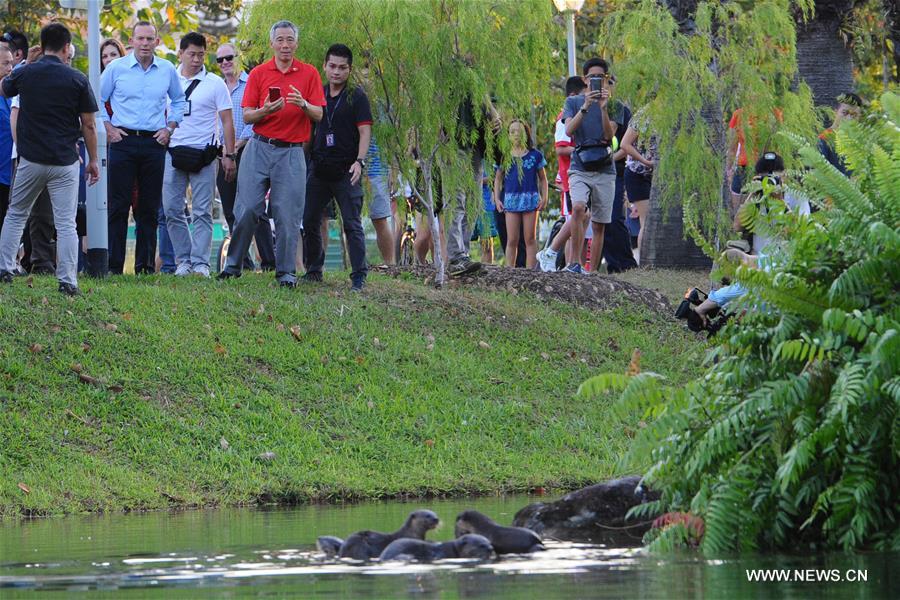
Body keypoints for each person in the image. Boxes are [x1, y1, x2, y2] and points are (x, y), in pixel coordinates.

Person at [218, 20, 324, 287]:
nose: (285, 45)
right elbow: (247, 114)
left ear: (296, 43)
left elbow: (319, 114)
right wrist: (265, 110)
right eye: (280, 40)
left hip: (291, 152)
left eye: (290, 40)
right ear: (272, 43)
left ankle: (285, 272)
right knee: (248, 208)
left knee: (287, 213)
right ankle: (233, 266)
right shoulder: (259, 73)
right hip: (259, 147)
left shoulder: (309, 73)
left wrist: (303, 105)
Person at [0, 23, 99, 295]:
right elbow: (89, 125)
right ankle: (67, 281)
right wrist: (93, 160)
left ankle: (4, 269)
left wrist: (25, 65)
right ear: (67, 47)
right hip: (65, 161)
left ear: (42, 46)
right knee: (66, 223)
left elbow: (3, 89)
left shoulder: (26, 74)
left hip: (30, 160)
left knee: (17, 213)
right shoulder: (77, 79)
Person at [100, 21, 186, 274]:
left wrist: (170, 128)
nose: (145, 44)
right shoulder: (116, 68)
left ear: (157, 42)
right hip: (122, 141)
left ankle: (146, 267)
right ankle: (113, 267)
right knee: (118, 206)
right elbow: (97, 99)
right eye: (141, 39)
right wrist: (109, 129)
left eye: (150, 39)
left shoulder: (167, 69)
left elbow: (179, 100)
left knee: (149, 208)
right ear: (132, 40)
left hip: (153, 143)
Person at [693, 152, 808, 323]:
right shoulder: (756, 198)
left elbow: (798, 232)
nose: (769, 182)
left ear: (784, 175)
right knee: (753, 280)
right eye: (765, 177)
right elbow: (737, 226)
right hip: (756, 257)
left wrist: (780, 202)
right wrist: (752, 196)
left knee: (758, 281)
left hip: (785, 260)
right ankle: (719, 307)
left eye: (774, 176)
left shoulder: (796, 197)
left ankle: (712, 303)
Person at [162, 32, 235, 278]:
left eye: (201, 55)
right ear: (180, 53)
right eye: (191, 54)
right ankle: (183, 260)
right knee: (172, 208)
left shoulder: (215, 83)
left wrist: (229, 154)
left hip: (204, 155)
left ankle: (201, 263)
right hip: (172, 152)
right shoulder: (167, 79)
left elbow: (227, 121)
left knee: (202, 211)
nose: (196, 59)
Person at [302, 43, 372, 291]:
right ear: (325, 66)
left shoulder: (357, 96)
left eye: (342, 68)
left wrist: (359, 162)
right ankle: (313, 270)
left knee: (351, 224)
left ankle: (359, 275)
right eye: (332, 66)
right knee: (309, 219)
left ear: (349, 69)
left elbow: (365, 131)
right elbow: (309, 131)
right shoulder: (317, 95)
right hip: (318, 168)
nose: (336, 72)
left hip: (346, 169)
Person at [215, 43, 275, 272]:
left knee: (254, 209)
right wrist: (224, 149)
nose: (225, 63)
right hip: (223, 155)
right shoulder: (218, 87)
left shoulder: (253, 82)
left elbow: (259, 117)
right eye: (219, 60)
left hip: (250, 151)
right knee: (230, 210)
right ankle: (243, 262)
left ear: (238, 57)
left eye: (229, 57)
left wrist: (237, 144)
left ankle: (270, 262)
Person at [560, 57, 617, 274]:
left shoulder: (614, 105)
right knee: (578, 208)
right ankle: (574, 262)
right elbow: (569, 131)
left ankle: (592, 272)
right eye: (592, 76)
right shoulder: (573, 102)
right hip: (580, 166)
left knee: (600, 223)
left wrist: (602, 108)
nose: (596, 80)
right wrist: (585, 106)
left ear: (606, 78)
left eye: (600, 77)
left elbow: (609, 136)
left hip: (605, 168)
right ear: (585, 79)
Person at [494, 119, 547, 268]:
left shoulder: (535, 155)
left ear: (526, 134)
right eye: (512, 132)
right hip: (511, 201)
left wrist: (545, 197)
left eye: (519, 131)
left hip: (530, 200)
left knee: (530, 238)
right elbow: (497, 179)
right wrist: (497, 199)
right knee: (512, 240)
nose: (516, 135)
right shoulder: (504, 156)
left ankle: (531, 272)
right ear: (508, 136)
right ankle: (509, 271)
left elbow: (543, 179)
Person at [621, 105, 657, 262]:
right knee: (646, 220)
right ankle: (644, 262)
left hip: (655, 176)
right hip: (638, 174)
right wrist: (646, 162)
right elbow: (625, 144)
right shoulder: (644, 115)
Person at [817, 93, 862, 177]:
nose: (849, 118)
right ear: (835, 112)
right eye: (845, 113)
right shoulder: (823, 139)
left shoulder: (861, 141)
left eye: (854, 115)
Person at [0, 45, 13, 236]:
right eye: (5, 63)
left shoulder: (11, 95)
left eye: (11, 62)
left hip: (9, 171)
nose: (11, 67)